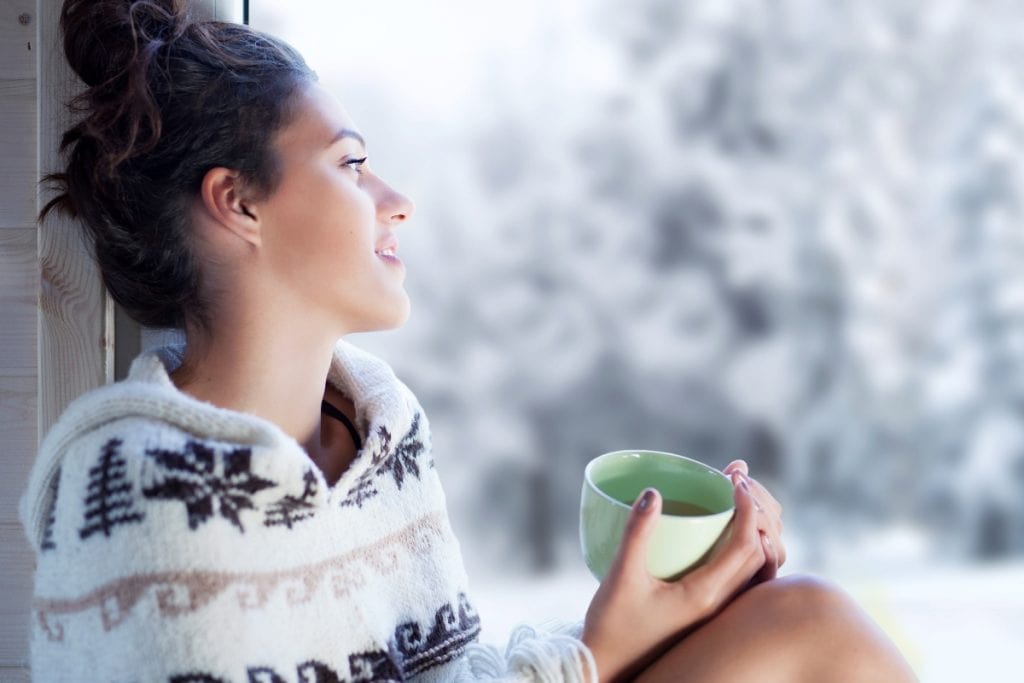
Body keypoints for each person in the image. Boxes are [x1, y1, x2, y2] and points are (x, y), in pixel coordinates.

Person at [20, 1, 918, 681]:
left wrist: (671, 608)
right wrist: (600, 650)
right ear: (240, 203)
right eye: (351, 163)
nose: (395, 199)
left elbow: (447, 672)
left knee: (802, 619)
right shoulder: (139, 491)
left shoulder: (380, 426)